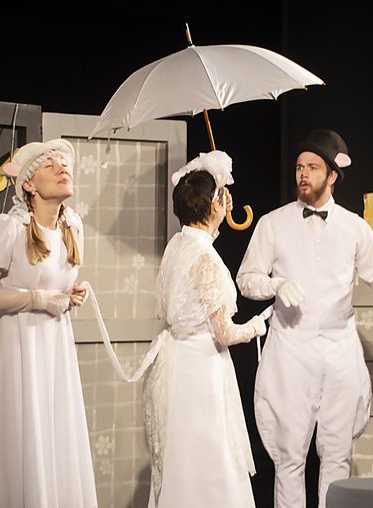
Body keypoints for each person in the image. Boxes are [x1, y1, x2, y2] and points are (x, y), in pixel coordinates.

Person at [236, 129, 373, 507]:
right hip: (291, 349)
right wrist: (276, 284)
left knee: (337, 456)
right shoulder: (273, 223)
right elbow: (246, 279)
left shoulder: (353, 226)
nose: (303, 174)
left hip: (339, 350)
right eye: (299, 167)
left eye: (312, 167)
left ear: (333, 175)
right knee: (289, 458)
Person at [0, 139, 97, 508]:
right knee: (21, 439)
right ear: (29, 184)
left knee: (55, 438)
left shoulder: (73, 226)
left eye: (65, 164)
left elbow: (55, 285)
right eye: (51, 164)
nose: (63, 168)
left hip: (55, 351)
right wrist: (36, 299)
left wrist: (69, 295)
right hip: (17, 350)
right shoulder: (9, 228)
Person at [142, 151, 266, 508]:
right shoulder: (206, 258)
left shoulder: (177, 244)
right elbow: (224, 332)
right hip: (201, 367)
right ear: (214, 205)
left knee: (183, 449)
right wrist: (256, 326)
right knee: (210, 449)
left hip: (179, 363)